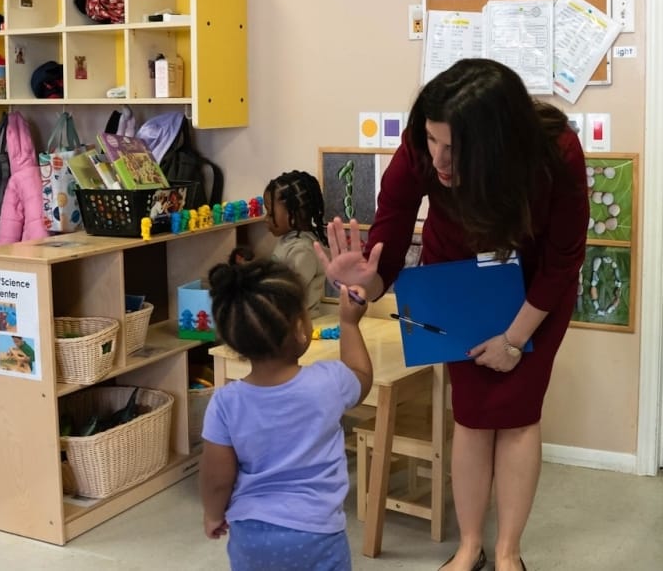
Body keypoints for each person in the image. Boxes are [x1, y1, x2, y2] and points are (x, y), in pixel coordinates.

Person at [315, 58, 588, 571]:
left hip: (534, 292)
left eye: (454, 149)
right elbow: (392, 230)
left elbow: (563, 259)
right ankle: (469, 547)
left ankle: (507, 552)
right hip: (458, 280)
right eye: (432, 140)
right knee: (472, 412)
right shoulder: (423, 146)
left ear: (496, 144)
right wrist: (365, 282)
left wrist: (514, 340)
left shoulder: (556, 151)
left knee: (519, 414)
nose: (439, 160)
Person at [199, 258, 372, 571]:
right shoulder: (328, 383)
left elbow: (216, 479)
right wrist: (349, 324)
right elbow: (360, 375)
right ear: (299, 328)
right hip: (318, 532)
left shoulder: (225, 402)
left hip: (252, 535)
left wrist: (213, 514)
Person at [263, 170, 329, 315]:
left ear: (297, 213)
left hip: (301, 323)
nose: (266, 219)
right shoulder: (289, 240)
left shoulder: (303, 250)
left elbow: (288, 293)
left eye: (271, 213)